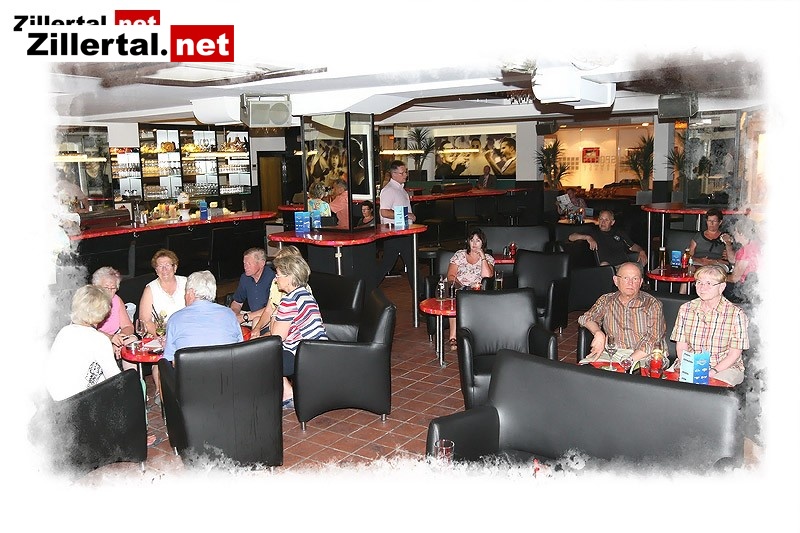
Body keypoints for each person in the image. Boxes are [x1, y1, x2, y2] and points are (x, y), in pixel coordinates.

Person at [671, 265, 749, 386]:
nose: (702, 288)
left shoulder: (736, 314)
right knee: (665, 387)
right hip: (690, 364)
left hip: (724, 368)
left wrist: (712, 372)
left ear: (721, 287)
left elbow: (734, 354)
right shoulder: (686, 309)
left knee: (709, 389)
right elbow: (681, 347)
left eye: (709, 283)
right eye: (699, 282)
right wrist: (690, 367)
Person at [269, 252, 328, 408]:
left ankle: (286, 394)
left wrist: (274, 315)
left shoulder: (289, 300)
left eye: (278, 275)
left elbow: (276, 337)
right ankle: (287, 392)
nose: (275, 279)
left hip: (301, 355)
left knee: (263, 356)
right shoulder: (306, 294)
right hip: (319, 350)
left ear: (289, 278)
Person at [578, 262, 666, 364]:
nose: (630, 283)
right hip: (613, 353)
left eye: (635, 279)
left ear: (641, 282)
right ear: (616, 280)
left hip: (645, 355)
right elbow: (585, 318)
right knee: (583, 369)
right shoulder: (606, 300)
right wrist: (598, 332)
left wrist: (628, 361)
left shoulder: (652, 304)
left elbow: (653, 339)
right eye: (625, 278)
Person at [45, 285, 121, 401]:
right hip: (81, 402)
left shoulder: (64, 331)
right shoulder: (99, 339)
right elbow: (116, 379)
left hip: (56, 401)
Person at [162, 270, 243, 363]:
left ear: (191, 292)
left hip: (191, 372)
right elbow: (239, 350)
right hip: (228, 370)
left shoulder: (175, 319)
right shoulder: (230, 315)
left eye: (185, 292)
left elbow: (172, 360)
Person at [445, 229, 495, 349]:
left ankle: (475, 336)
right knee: (454, 296)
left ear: (483, 243)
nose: (474, 243)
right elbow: (451, 275)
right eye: (472, 240)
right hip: (458, 287)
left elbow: (487, 276)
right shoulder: (459, 254)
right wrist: (462, 287)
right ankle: (453, 337)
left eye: (478, 240)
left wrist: (482, 257)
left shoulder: (488, 258)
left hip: (476, 290)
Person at [249, 245, 308, 339]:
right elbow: (268, 310)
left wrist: (262, 338)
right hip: (280, 326)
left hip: (290, 333)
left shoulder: (294, 296)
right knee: (256, 322)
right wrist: (257, 328)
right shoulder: (276, 283)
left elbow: (279, 334)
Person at [377, 160, 417, 288]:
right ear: (394, 174)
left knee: (411, 264)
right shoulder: (389, 190)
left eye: (405, 172)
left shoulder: (401, 190)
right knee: (388, 265)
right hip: (394, 232)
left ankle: (420, 290)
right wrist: (407, 215)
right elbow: (384, 212)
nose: (405, 175)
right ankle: (366, 288)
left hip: (403, 231)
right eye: (402, 173)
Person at [568, 209, 648, 267]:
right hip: (608, 269)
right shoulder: (592, 232)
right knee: (604, 264)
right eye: (601, 219)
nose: (603, 222)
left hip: (624, 266)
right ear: (598, 220)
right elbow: (571, 237)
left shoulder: (619, 232)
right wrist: (587, 237)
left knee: (639, 261)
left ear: (612, 222)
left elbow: (632, 246)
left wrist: (641, 251)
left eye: (606, 220)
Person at [92, 266, 135, 366]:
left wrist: (120, 339)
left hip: (114, 337)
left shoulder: (116, 300)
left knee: (132, 341)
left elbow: (128, 326)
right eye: (106, 287)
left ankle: (131, 375)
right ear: (96, 287)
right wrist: (111, 339)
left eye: (113, 288)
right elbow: (89, 330)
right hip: (96, 340)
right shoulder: (90, 302)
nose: (110, 291)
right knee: (106, 348)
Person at [138, 249, 186, 336]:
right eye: (160, 266)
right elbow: (145, 321)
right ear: (156, 270)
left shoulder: (186, 283)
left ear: (175, 267)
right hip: (160, 335)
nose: (164, 269)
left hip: (186, 330)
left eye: (167, 265)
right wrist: (163, 336)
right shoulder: (150, 289)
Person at [230, 247, 275, 325]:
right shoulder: (245, 278)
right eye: (244, 263)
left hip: (270, 318)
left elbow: (272, 308)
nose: (245, 267)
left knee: (256, 321)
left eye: (249, 264)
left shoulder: (273, 278)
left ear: (262, 263)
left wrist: (244, 317)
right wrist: (234, 315)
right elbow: (237, 303)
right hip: (250, 315)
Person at [722, 217, 760, 303]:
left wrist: (718, 277)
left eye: (735, 231)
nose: (733, 233)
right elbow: (732, 260)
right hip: (755, 288)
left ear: (741, 233)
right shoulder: (753, 245)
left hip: (744, 290)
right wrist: (728, 243)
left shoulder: (745, 251)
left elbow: (735, 278)